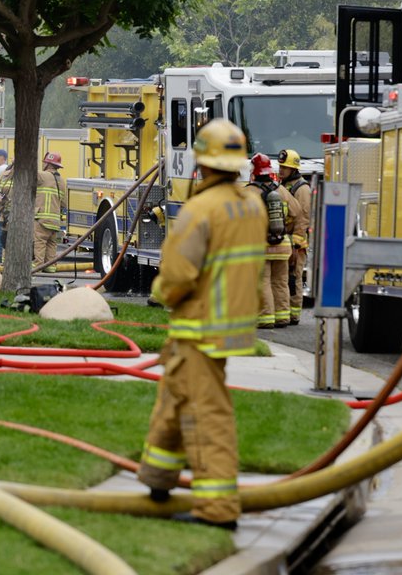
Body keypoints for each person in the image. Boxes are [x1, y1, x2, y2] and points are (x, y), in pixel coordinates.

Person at [138, 119, 266, 531]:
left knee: (206, 413)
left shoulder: (201, 209)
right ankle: (158, 479)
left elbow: (177, 276)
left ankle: (217, 509)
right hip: (230, 324)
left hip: (199, 325)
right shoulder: (252, 205)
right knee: (175, 398)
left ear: (202, 161)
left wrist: (160, 291)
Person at [248, 153, 296, 329]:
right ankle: (283, 317)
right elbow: (296, 212)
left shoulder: (248, 192)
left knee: (263, 281)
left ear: (254, 172)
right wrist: (285, 227)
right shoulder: (281, 190)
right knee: (281, 281)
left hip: (261, 246)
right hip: (282, 245)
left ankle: (266, 317)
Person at [277, 148, 312, 324]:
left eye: (285, 167)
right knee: (283, 277)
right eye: (280, 166)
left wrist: (296, 243)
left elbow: (303, 217)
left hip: (296, 242)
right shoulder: (285, 185)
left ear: (293, 169)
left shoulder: (302, 188)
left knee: (295, 277)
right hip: (285, 239)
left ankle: (294, 314)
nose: (281, 170)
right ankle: (286, 310)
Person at [34, 151, 67, 272]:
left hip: (42, 218)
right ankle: (50, 266)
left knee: (40, 241)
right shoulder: (61, 181)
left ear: (48, 164)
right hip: (55, 220)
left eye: (44, 163)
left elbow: (29, 176)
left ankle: (38, 265)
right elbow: (64, 203)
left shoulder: (42, 175)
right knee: (51, 243)